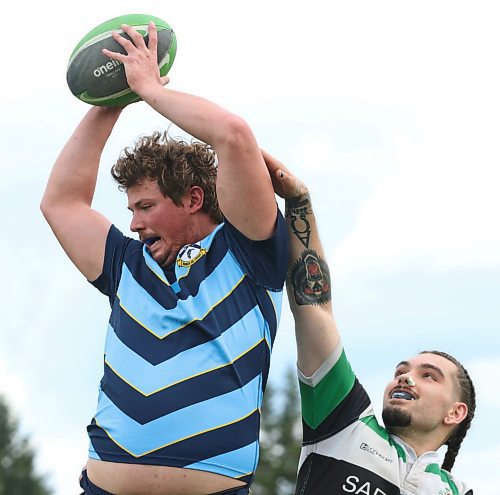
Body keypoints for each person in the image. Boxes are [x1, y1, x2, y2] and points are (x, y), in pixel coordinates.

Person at [41, 22, 288, 495]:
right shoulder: (127, 266)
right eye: (131, 209)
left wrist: (149, 89)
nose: (133, 224)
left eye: (146, 207)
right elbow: (61, 203)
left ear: (194, 198)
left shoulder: (249, 251)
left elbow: (233, 135)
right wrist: (112, 100)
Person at [262, 151, 476, 495]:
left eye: (429, 375)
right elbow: (313, 306)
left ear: (455, 413)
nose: (404, 376)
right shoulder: (344, 422)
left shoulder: (457, 491)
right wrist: (299, 201)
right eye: (400, 370)